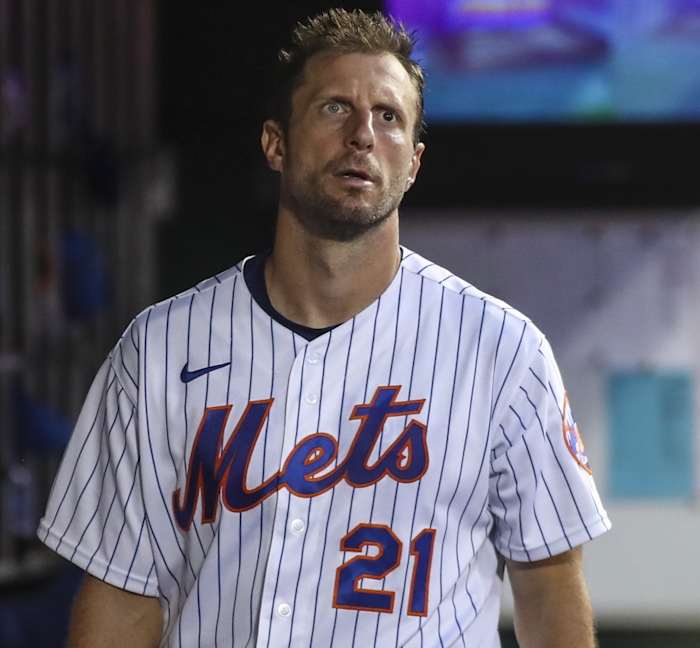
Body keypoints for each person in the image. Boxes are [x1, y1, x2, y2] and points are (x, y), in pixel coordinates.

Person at [38, 9, 610, 647]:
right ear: (275, 143)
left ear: (414, 162)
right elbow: (121, 595)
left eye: (388, 117)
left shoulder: (502, 352)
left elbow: (550, 584)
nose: (363, 135)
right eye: (335, 108)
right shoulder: (161, 350)